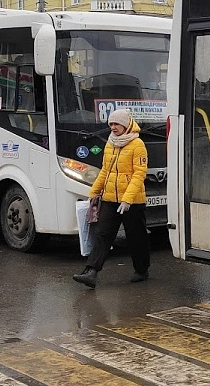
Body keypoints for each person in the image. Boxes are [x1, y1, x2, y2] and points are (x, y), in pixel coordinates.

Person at [73, 108, 150, 289]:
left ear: (126, 125)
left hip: (132, 201)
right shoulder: (110, 143)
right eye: (111, 124)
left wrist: (127, 200)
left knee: (136, 236)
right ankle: (91, 272)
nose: (113, 128)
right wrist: (94, 192)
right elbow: (105, 171)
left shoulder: (138, 145)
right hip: (110, 198)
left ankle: (142, 269)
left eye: (117, 124)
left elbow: (139, 175)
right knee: (103, 234)